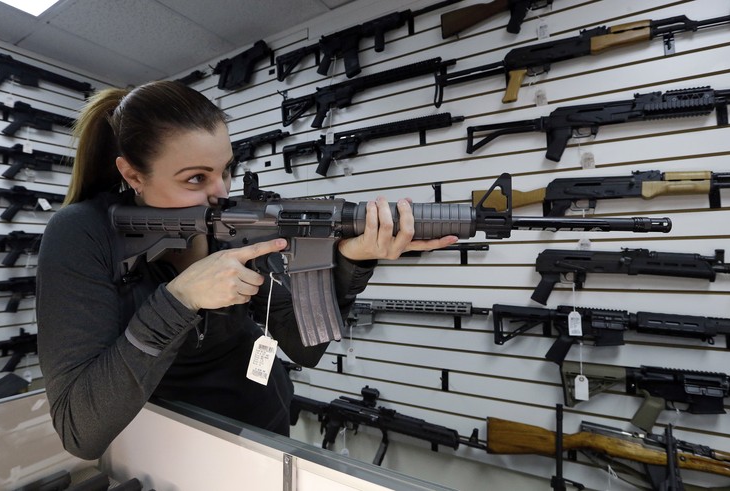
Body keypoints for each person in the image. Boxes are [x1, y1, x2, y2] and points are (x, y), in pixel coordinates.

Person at [36, 80, 457, 460]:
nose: (222, 194)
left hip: (262, 426)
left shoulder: (236, 222)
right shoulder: (82, 233)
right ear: (132, 174)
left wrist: (353, 259)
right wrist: (180, 299)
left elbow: (305, 348)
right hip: (168, 442)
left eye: (227, 170)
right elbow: (80, 432)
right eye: (196, 178)